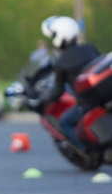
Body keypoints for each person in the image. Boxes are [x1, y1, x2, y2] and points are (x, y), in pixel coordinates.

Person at [39, 16, 100, 150]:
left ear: (60, 36)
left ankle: (89, 152)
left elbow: (58, 90)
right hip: (103, 96)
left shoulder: (61, 62)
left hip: (87, 103)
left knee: (64, 122)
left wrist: (45, 100)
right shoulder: (89, 48)